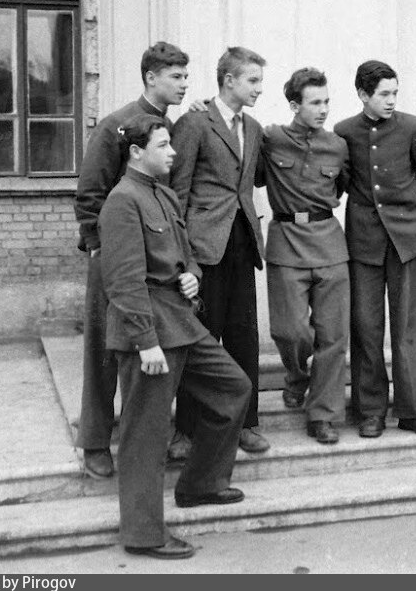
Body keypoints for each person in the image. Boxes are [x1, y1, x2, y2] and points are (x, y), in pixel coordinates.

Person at [100, 114, 251, 560]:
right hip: (149, 329)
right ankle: (144, 534)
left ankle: (201, 484)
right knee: (145, 434)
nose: (173, 152)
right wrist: (144, 342)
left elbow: (185, 256)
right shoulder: (122, 201)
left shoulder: (162, 194)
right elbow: (123, 282)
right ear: (136, 153)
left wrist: (191, 275)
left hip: (181, 320)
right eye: (163, 145)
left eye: (171, 144)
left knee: (234, 388)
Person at [72, 41, 191, 479]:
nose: (183, 84)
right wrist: (101, 250)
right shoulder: (116, 127)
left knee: (159, 347)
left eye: (185, 76)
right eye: (175, 76)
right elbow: (89, 194)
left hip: (158, 261)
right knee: (106, 348)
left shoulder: (168, 128)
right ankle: (96, 440)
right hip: (116, 258)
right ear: (151, 78)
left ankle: (156, 434)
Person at [333, 60, 416, 439]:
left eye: (394, 93)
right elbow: (341, 183)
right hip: (363, 244)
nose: (391, 100)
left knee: (406, 331)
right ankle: (370, 411)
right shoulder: (344, 131)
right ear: (363, 94)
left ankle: (412, 412)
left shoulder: (412, 127)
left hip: (407, 243)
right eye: (383, 93)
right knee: (366, 329)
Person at [168, 46, 270, 457]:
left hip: (243, 243)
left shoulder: (256, 128)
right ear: (229, 80)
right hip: (204, 249)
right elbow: (177, 191)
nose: (259, 89)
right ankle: (188, 430)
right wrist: (182, 256)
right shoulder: (194, 123)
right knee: (202, 340)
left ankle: (247, 423)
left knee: (244, 337)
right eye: (253, 81)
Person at [260, 68, 350, 444]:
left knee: (333, 336)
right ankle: (297, 375)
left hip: (329, 243)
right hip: (285, 243)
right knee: (290, 330)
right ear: (295, 105)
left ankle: (323, 415)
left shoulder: (337, 146)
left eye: (327, 101)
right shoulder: (270, 139)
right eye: (315, 103)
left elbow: (343, 187)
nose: (324, 109)